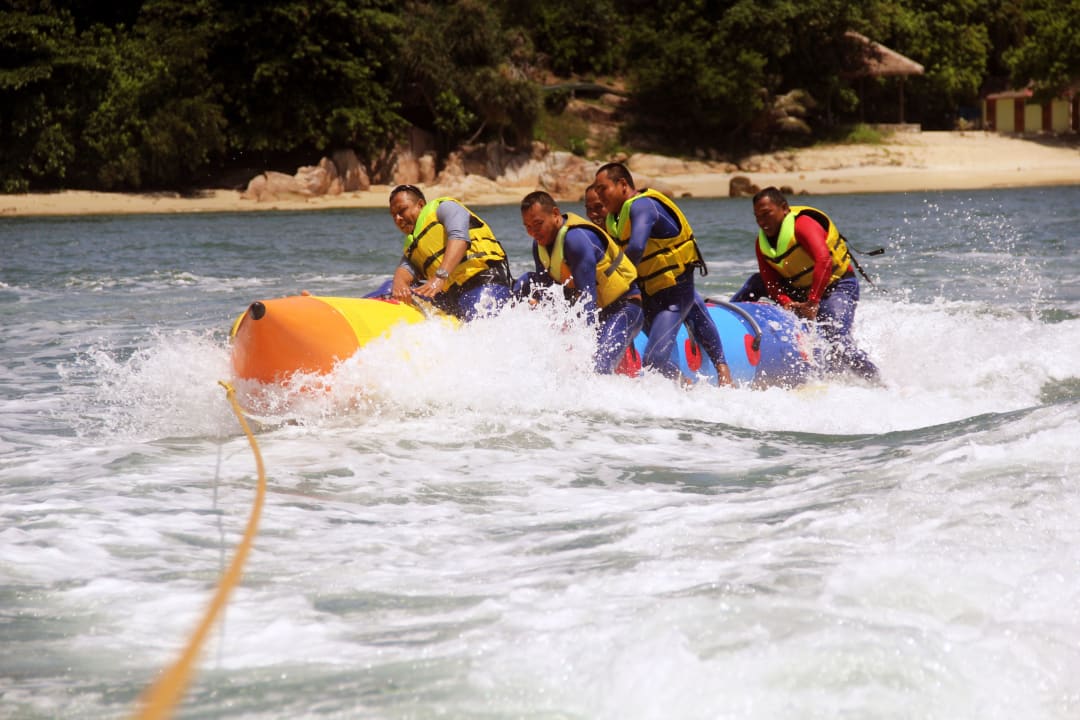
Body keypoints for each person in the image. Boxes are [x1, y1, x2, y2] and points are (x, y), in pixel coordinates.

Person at [593, 162, 732, 385]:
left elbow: (637, 248)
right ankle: (686, 384)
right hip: (649, 294)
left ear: (622, 184)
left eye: (603, 189)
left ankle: (723, 371)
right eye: (596, 192)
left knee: (653, 360)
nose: (600, 197)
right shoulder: (614, 220)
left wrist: (615, 282)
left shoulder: (643, 206)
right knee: (652, 358)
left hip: (675, 293)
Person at [731, 186, 879, 381]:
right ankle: (723, 321)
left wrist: (813, 302)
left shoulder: (803, 225)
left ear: (784, 208)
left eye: (766, 214)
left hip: (836, 287)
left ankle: (878, 382)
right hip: (802, 292)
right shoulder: (762, 243)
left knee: (838, 342)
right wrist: (785, 301)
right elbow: (769, 281)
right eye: (757, 217)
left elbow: (824, 261)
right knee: (755, 283)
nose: (762, 222)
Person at [518, 190, 644, 374]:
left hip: (624, 308)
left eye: (538, 224)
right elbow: (550, 293)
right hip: (599, 314)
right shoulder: (539, 246)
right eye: (527, 226)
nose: (533, 232)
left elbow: (587, 299)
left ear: (555, 214)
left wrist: (580, 346)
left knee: (598, 368)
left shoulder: (575, 240)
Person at [386, 184, 512, 320]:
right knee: (388, 288)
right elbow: (405, 269)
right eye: (394, 215)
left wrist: (440, 277)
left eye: (402, 210)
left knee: (478, 321)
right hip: (452, 297)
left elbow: (459, 238)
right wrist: (399, 283)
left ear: (420, 205)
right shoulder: (413, 245)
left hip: (485, 282)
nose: (398, 219)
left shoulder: (445, 208)